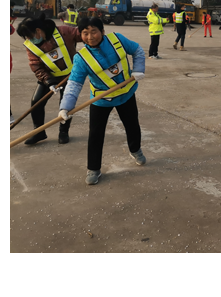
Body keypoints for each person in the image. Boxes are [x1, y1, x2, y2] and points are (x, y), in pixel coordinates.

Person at [59, 17, 146, 185]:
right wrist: (66, 107)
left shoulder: (118, 40)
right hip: (102, 99)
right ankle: (93, 168)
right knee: (95, 134)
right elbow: (74, 83)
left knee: (132, 125)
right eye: (85, 33)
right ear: (80, 35)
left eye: (94, 32)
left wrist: (138, 68)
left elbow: (137, 50)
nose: (90, 37)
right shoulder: (81, 58)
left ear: (102, 31)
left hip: (126, 94)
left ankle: (135, 150)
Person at [16, 13, 82, 144]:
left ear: (38, 30)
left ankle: (63, 132)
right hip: (50, 77)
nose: (28, 39)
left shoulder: (64, 32)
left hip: (70, 76)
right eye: (26, 37)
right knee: (36, 102)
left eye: (29, 36)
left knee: (66, 105)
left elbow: (85, 35)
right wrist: (48, 81)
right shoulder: (31, 45)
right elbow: (36, 65)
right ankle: (39, 132)